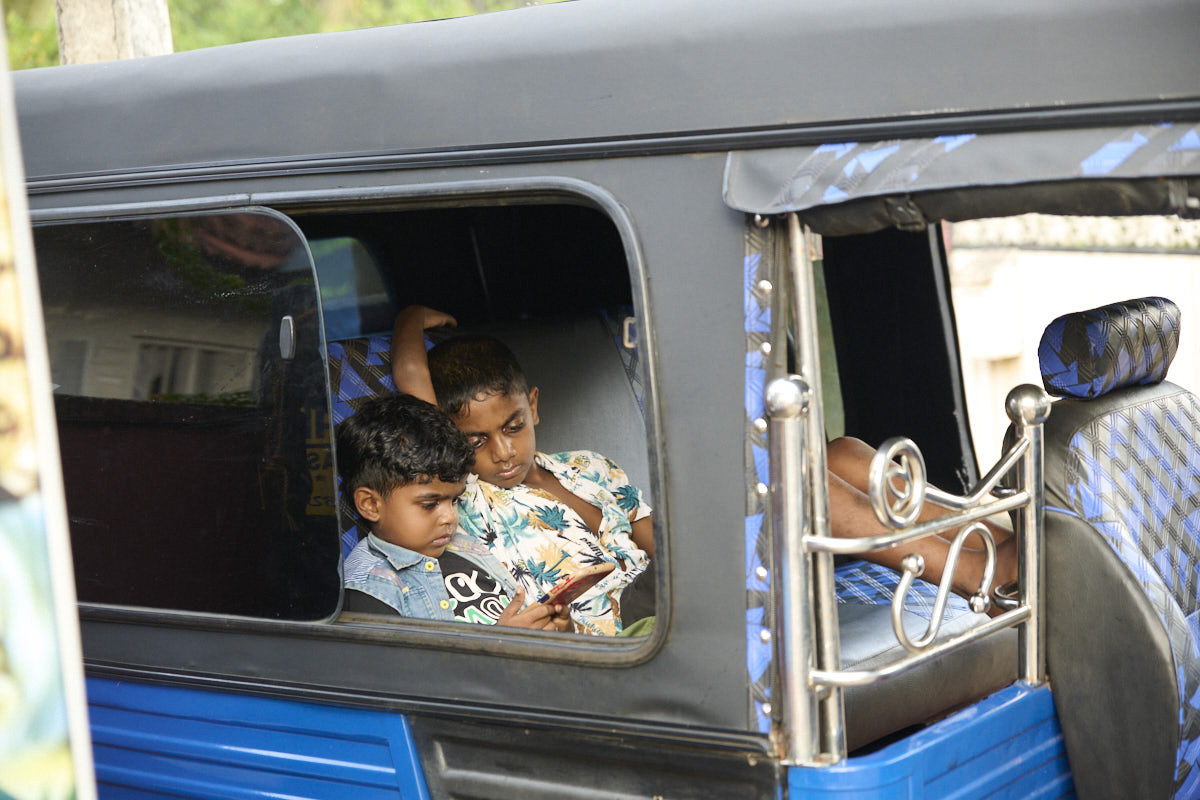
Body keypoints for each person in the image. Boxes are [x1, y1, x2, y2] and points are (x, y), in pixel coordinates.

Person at [391, 306, 651, 636]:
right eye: (475, 441)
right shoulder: (468, 495)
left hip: (660, 614)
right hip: (607, 644)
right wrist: (409, 317)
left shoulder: (590, 466)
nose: (504, 453)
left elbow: (666, 551)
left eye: (514, 427)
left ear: (533, 407)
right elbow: (411, 376)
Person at [337, 392, 570, 630]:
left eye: (455, 500)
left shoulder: (464, 546)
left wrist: (556, 630)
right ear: (370, 504)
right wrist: (502, 643)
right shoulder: (369, 592)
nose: (450, 517)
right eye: (430, 504)